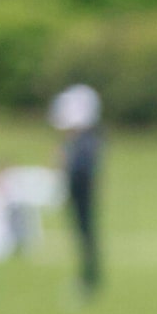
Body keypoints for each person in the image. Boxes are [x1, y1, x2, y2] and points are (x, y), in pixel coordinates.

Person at [49, 84, 103, 297]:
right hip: (80, 192)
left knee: (86, 235)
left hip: (81, 193)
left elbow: (81, 171)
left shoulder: (85, 142)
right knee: (83, 235)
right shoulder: (83, 141)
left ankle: (88, 279)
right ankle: (87, 277)